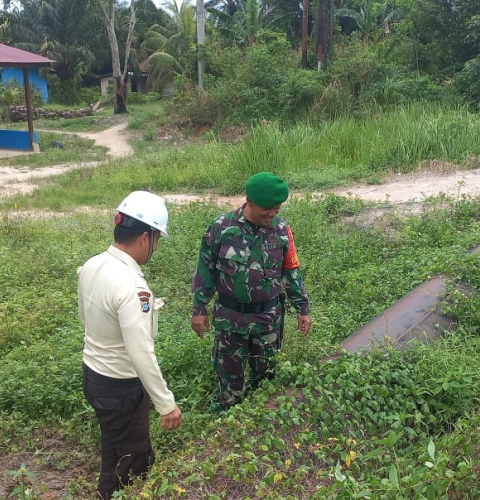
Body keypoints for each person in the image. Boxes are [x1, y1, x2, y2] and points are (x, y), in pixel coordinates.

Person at [78, 191, 182, 499]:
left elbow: (84, 317)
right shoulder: (133, 287)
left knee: (116, 445)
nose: (157, 246)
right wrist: (166, 404)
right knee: (131, 464)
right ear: (144, 238)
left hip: (93, 375)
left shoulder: (93, 264)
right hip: (120, 388)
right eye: (157, 239)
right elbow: (140, 353)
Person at [191, 172, 312, 413]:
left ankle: (260, 432)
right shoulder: (221, 228)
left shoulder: (281, 230)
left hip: (267, 320)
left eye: (277, 208)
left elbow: (291, 270)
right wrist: (199, 309)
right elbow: (204, 270)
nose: (272, 214)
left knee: (267, 384)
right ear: (249, 201)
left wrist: (303, 309)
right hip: (230, 320)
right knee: (228, 388)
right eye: (268, 208)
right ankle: (222, 433)